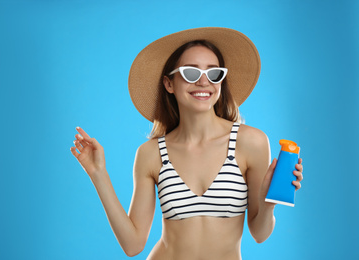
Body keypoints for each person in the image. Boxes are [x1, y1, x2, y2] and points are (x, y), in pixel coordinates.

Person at [70, 27, 303, 260]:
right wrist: (97, 173)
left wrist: (269, 202)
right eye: (191, 73)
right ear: (169, 84)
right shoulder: (151, 154)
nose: (203, 82)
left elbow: (260, 234)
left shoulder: (251, 142)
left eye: (214, 74)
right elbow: (133, 245)